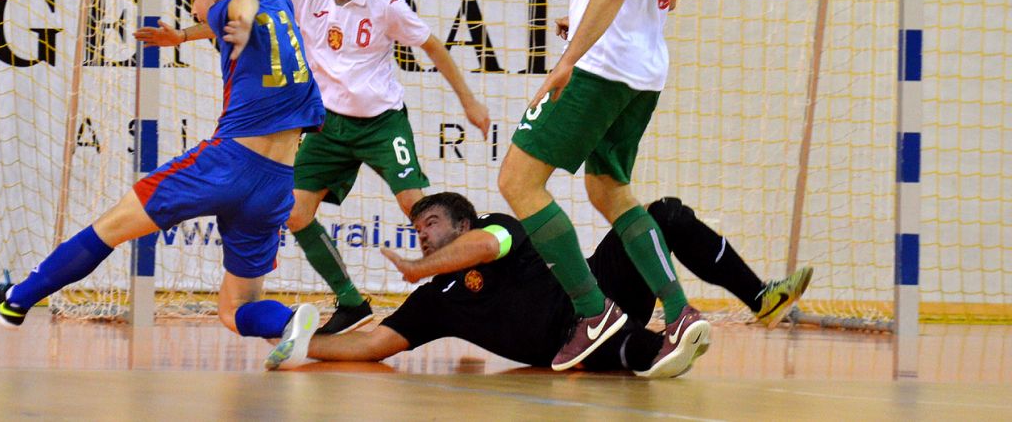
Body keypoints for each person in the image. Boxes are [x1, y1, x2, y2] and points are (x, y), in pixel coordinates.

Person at [0, 0, 325, 367]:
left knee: (111, 226)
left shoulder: (235, 6)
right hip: (276, 182)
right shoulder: (282, 8)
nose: (193, 9)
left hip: (226, 164)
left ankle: (16, 301)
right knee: (234, 309)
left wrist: (241, 18)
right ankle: (288, 320)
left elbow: (242, 3)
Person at [497, 0, 702, 374]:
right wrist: (584, 16)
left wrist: (568, 58)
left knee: (518, 179)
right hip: (645, 70)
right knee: (608, 187)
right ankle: (680, 310)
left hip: (601, 67)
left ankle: (593, 311)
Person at [225, 0, 491, 335]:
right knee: (295, 213)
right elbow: (255, 5)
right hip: (326, 126)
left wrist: (470, 101)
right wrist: (185, 35)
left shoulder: (386, 5)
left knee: (418, 210)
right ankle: (351, 302)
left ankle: (471, 290)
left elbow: (434, 46)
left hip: (382, 124)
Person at [268, 191, 813, 376]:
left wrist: (416, 267)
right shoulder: (432, 299)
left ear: (463, 222)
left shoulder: (496, 230)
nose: (423, 237)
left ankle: (760, 298)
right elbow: (371, 343)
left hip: (596, 296)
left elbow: (485, 248)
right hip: (573, 349)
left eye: (431, 224)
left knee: (664, 214)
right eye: (416, 231)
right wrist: (299, 346)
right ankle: (665, 342)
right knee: (649, 364)